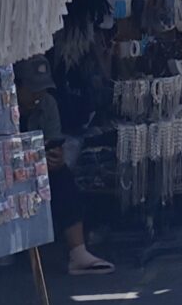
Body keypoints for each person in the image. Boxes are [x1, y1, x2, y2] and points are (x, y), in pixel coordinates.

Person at [16, 57, 113, 272]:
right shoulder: (6, 107)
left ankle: (78, 252)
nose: (36, 97)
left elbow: (54, 139)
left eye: (40, 91)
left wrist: (55, 158)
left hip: (38, 167)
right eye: (32, 90)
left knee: (63, 178)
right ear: (18, 86)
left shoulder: (48, 104)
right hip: (13, 169)